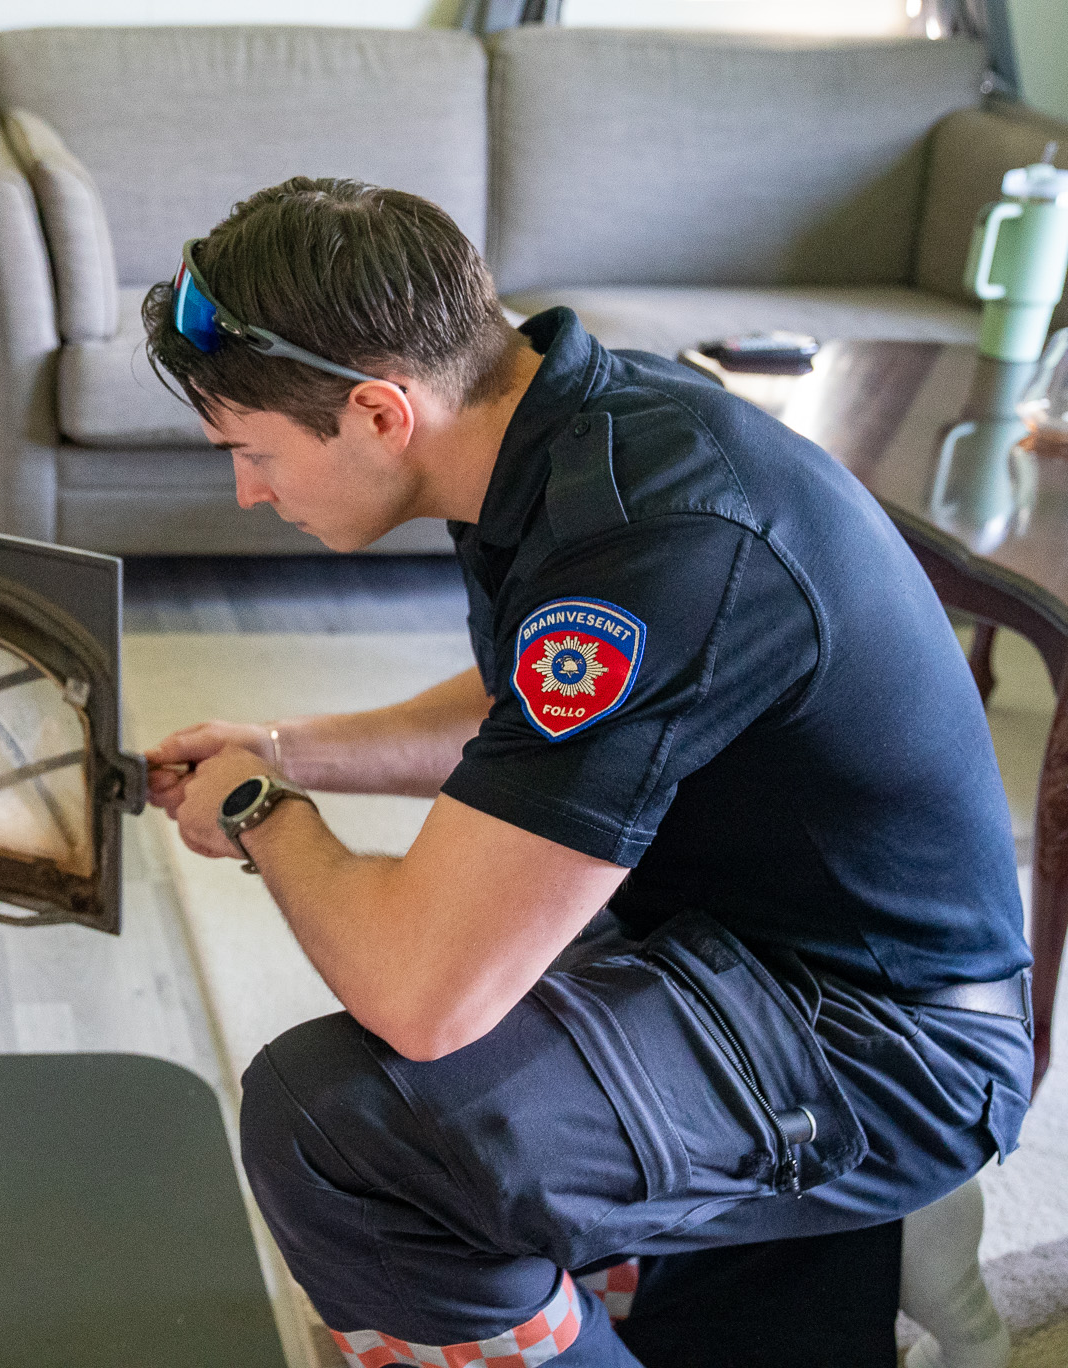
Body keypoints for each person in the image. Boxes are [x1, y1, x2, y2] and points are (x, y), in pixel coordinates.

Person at [141, 178, 1034, 1367]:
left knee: (334, 1124)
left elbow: (418, 993)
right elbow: (536, 710)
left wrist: (264, 813)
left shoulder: (655, 532)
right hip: (751, 949)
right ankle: (767, 1263)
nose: (248, 490)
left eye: (249, 452)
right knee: (482, 1002)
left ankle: (866, 1207)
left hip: (884, 1042)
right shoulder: (552, 430)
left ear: (375, 414)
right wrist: (284, 747)